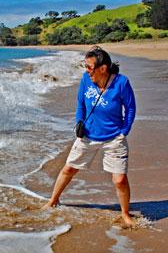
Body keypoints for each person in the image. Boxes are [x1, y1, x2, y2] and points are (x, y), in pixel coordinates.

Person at [41, 46, 136, 227]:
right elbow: (80, 104)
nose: (86, 70)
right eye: (85, 66)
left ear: (103, 68)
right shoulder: (86, 79)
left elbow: (130, 108)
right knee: (69, 169)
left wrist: (124, 131)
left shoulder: (122, 83)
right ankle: (53, 200)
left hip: (114, 137)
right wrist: (79, 122)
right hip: (88, 135)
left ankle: (125, 214)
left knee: (120, 179)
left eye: (90, 67)